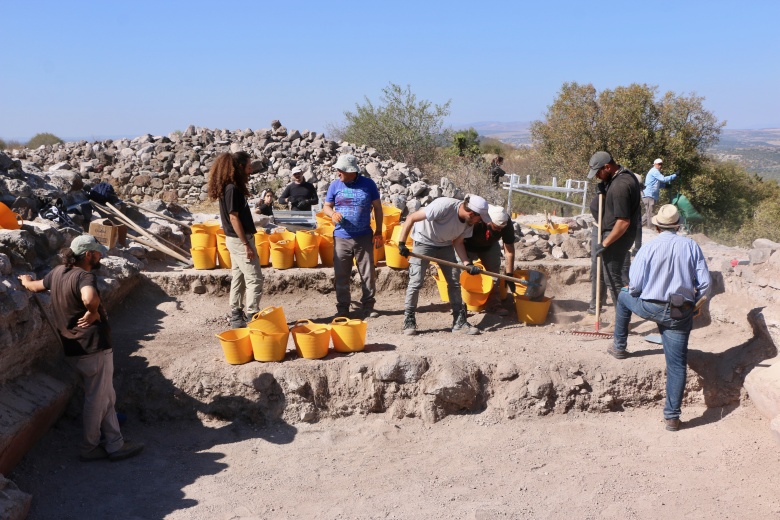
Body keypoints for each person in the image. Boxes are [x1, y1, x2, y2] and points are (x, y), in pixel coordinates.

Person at [18, 235, 144, 462]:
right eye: (97, 252)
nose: (100, 256)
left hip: (76, 347)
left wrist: (25, 281)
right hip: (93, 347)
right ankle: (90, 447)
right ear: (87, 254)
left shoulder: (57, 272)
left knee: (105, 395)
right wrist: (92, 311)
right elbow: (89, 298)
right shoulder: (84, 276)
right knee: (97, 398)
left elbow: (36, 286)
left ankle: (115, 443)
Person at [608, 204, 711, 432]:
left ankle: (619, 346)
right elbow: (705, 284)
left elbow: (634, 285)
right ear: (678, 225)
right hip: (680, 311)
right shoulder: (691, 246)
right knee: (676, 366)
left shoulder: (649, 247)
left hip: (651, 306)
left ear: (656, 226)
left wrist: (638, 291)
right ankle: (672, 418)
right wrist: (697, 304)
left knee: (624, 296)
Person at [397, 194, 492, 335]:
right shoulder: (443, 206)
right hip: (424, 241)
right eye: (480, 218)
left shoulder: (469, 222)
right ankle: (409, 319)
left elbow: (458, 242)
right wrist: (402, 243)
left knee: (454, 282)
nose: (480, 222)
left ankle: (459, 322)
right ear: (472, 213)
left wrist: (467, 263)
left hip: (446, 244)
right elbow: (411, 218)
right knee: (416, 282)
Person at [322, 154, 383, 319]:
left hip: (364, 236)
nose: (337, 173)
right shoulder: (335, 185)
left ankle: (368, 306)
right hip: (341, 237)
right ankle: (343, 308)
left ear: (351, 171)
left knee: (367, 273)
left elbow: (377, 208)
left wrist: (378, 231)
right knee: (341, 274)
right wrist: (332, 214)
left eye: (340, 170)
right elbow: (326, 206)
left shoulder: (368, 184)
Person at [208, 151, 264, 328]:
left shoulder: (232, 187)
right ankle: (252, 315)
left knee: (239, 277)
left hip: (236, 240)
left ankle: (236, 315)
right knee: (255, 279)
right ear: (239, 167)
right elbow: (234, 218)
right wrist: (246, 244)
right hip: (240, 240)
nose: (250, 171)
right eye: (248, 167)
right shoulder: (232, 189)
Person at [587, 151, 642, 314]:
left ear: (607, 166)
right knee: (609, 275)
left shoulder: (620, 186)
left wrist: (604, 243)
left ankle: (622, 321)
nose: (597, 176)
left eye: (598, 172)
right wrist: (604, 189)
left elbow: (623, 222)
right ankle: (619, 317)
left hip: (616, 237)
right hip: (612, 234)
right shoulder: (620, 177)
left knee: (613, 278)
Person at [463, 204, 518, 316]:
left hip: (489, 245)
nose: (499, 230)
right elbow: (458, 238)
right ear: (488, 221)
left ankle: (493, 304)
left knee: (494, 274)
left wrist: (509, 275)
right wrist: (466, 262)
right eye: (497, 227)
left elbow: (509, 250)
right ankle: (461, 306)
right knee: (462, 274)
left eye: (501, 228)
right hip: (466, 245)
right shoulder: (476, 218)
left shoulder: (506, 223)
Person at [642, 158, 678, 229]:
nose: (660, 166)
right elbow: (663, 179)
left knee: (648, 213)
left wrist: (665, 186)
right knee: (650, 213)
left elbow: (656, 183)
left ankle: (638, 225)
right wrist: (675, 175)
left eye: (661, 164)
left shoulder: (655, 172)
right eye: (659, 164)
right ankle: (651, 228)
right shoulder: (654, 171)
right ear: (654, 164)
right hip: (650, 195)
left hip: (651, 195)